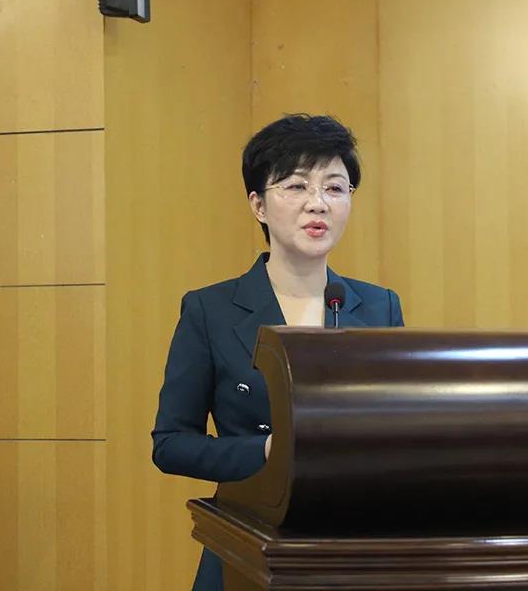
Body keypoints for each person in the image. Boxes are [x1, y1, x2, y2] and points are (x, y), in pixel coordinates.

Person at [151, 114, 405, 591]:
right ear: (259, 205)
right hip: (248, 544)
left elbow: (400, 430)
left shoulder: (378, 306)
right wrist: (267, 451)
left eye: (335, 188)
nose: (318, 203)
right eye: (295, 186)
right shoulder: (210, 309)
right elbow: (170, 443)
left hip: (351, 549)